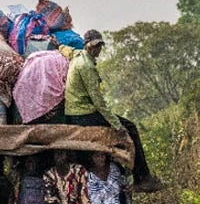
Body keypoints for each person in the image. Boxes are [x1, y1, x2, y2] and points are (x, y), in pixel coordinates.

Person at [59, 30, 163, 193]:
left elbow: (66, 50)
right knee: (131, 128)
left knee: (125, 125)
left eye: (99, 45)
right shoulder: (86, 66)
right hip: (84, 114)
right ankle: (142, 178)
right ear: (88, 46)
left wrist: (57, 44)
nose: (98, 49)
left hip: (73, 112)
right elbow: (98, 102)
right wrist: (117, 126)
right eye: (95, 46)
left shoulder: (77, 55)